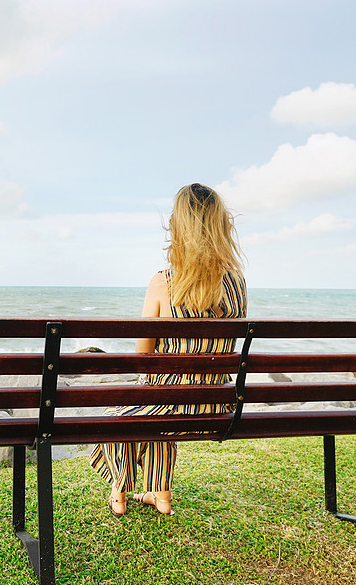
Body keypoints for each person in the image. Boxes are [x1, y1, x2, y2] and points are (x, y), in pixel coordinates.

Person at [88, 183, 246, 516]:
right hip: (216, 405)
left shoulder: (163, 282)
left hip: (170, 402)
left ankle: (119, 491)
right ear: (221, 226)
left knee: (118, 417)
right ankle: (160, 496)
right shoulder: (236, 283)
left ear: (178, 228)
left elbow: (142, 356)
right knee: (153, 408)